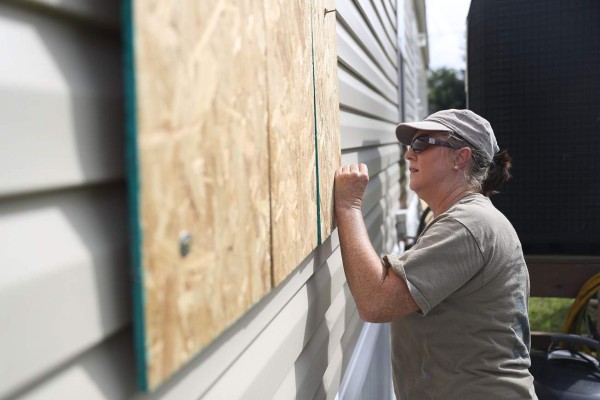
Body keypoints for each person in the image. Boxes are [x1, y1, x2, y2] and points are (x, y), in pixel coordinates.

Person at [334, 109, 537, 399]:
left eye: (421, 143)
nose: (408, 155)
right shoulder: (469, 219)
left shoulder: (468, 225)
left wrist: (349, 206)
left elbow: (375, 302)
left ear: (460, 157)